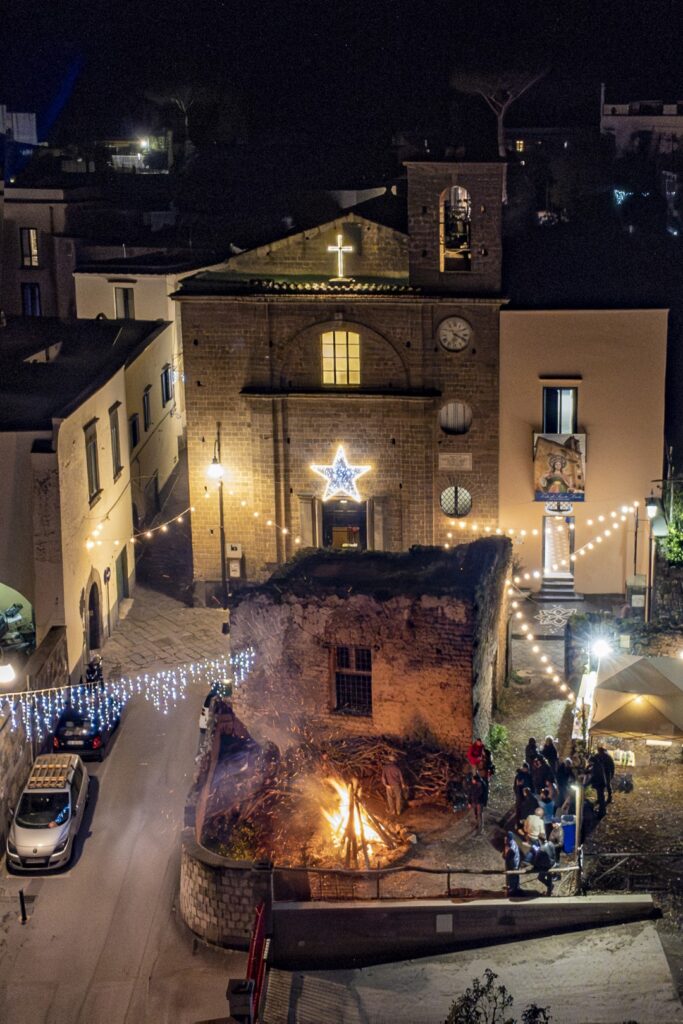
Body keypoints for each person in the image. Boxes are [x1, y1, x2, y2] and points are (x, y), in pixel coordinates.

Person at [587, 753, 608, 817]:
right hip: (601, 783)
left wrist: (586, 784)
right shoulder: (598, 765)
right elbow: (591, 771)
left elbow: (593, 776)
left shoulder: (596, 767)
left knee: (601, 798)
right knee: (600, 797)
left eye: (590, 762)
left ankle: (602, 813)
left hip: (600, 784)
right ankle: (602, 811)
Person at [504, 831, 522, 896]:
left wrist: (506, 854)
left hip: (513, 864)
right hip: (515, 863)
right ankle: (515, 888)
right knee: (514, 876)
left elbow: (508, 855)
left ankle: (513, 890)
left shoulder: (512, 845)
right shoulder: (512, 842)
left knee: (513, 877)